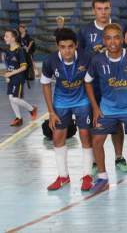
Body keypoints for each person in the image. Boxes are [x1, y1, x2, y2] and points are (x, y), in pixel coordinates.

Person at [77, 0, 127, 176]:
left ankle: (119, 157)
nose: (103, 13)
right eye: (99, 9)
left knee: (116, 123)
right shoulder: (85, 31)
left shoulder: (122, 24)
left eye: (106, 8)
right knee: (94, 123)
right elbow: (79, 55)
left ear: (111, 8)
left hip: (118, 86)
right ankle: (96, 162)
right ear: (93, 10)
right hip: (94, 85)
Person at [84, 23, 127, 193]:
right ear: (103, 40)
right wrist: (95, 108)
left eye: (116, 37)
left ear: (121, 39)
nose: (113, 41)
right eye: (108, 38)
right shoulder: (97, 60)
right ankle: (103, 177)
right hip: (108, 108)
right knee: (97, 141)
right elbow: (87, 81)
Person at [41, 28, 93, 191]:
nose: (67, 50)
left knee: (85, 135)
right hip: (61, 102)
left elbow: (90, 82)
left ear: (76, 45)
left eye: (70, 46)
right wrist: (50, 111)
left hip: (82, 100)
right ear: (58, 46)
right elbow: (45, 83)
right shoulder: (50, 61)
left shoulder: (86, 58)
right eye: (63, 47)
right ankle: (63, 176)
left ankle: (87, 176)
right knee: (57, 137)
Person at [3, 29, 37, 127]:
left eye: (7, 36)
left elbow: (24, 67)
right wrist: (8, 75)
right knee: (11, 98)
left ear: (13, 38)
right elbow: (9, 65)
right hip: (11, 77)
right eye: (5, 36)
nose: (5, 38)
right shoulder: (8, 51)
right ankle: (19, 118)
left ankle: (32, 109)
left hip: (18, 78)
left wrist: (12, 73)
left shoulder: (20, 50)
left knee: (14, 98)